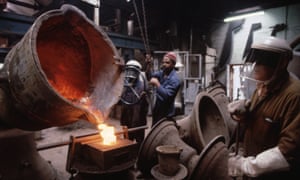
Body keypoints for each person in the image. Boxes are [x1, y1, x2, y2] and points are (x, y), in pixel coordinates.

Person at [227, 36, 300, 179]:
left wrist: (247, 165)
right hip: (255, 171)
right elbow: (261, 119)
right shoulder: (263, 85)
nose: (256, 66)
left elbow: (288, 151)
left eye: (264, 61)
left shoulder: (294, 95)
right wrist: (245, 114)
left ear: (281, 64)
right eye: (256, 59)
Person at [146, 52, 181, 127]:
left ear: (173, 64)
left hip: (166, 114)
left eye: (167, 62)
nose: (164, 64)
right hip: (157, 110)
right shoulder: (162, 73)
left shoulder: (175, 80)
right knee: (154, 132)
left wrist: (157, 84)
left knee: (162, 133)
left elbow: (167, 95)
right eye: (163, 62)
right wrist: (148, 65)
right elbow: (149, 76)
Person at [120, 60, 149, 144]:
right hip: (127, 112)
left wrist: (144, 95)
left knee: (139, 137)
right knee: (128, 137)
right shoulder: (123, 79)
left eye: (133, 70)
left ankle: (139, 152)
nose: (131, 73)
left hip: (139, 112)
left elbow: (146, 90)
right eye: (129, 70)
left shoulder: (142, 77)